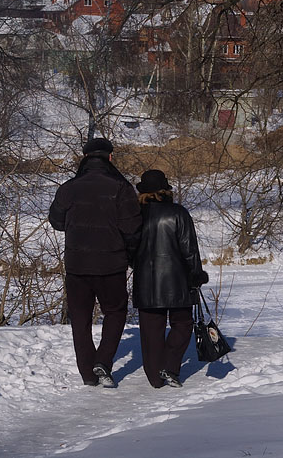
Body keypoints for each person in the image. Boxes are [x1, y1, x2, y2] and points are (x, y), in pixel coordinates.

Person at [48, 138, 141, 388]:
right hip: (111, 264)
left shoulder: (68, 188)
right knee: (115, 312)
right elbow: (132, 227)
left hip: (77, 266)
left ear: (86, 158)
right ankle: (103, 360)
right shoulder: (121, 188)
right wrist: (132, 256)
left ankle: (88, 375)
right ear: (110, 158)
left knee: (80, 319)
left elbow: (56, 221)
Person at [132, 169, 208, 388]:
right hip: (178, 281)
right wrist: (196, 275)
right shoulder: (178, 213)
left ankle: (155, 378)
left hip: (145, 282)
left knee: (150, 332)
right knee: (183, 324)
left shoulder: (135, 216)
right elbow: (190, 249)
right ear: (166, 190)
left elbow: (129, 248)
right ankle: (171, 366)